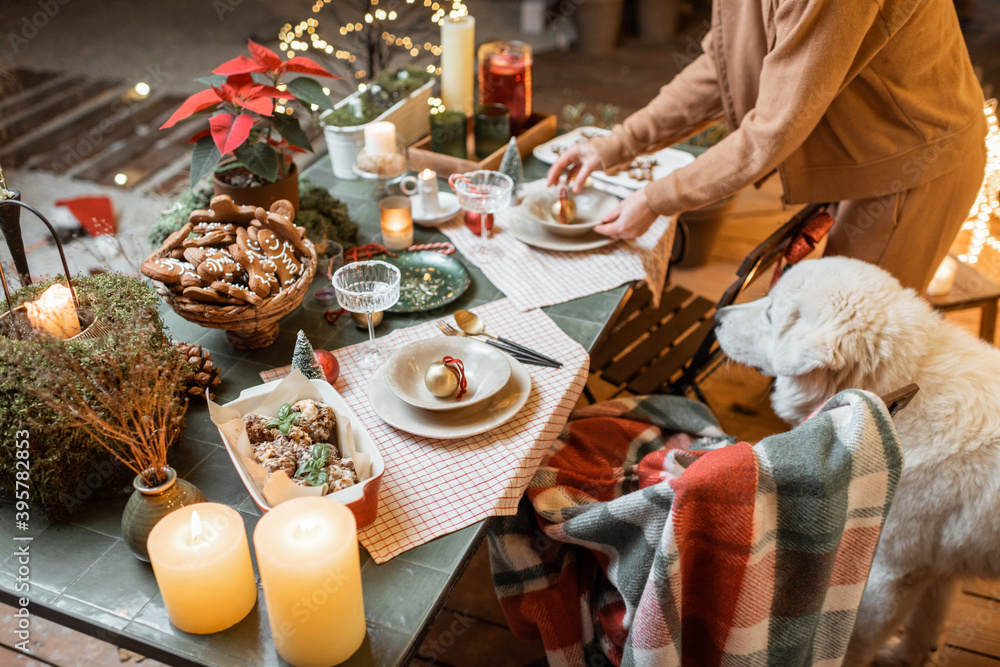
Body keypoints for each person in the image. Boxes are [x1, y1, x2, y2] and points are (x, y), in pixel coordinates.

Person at [548, 0, 988, 291]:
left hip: (915, 159)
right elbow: (719, 68)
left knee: (852, 354)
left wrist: (657, 197)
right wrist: (616, 144)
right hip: (865, 151)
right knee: (827, 336)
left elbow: (775, 128)